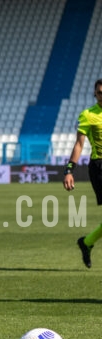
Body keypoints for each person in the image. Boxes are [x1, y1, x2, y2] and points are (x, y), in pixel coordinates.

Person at [63, 78, 102, 269]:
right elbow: (79, 144)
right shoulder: (88, 115)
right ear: (95, 93)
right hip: (99, 167)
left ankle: (86, 242)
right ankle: (86, 242)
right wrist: (70, 170)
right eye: (99, 92)